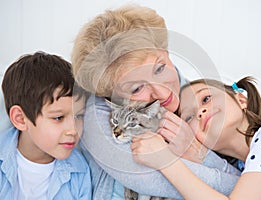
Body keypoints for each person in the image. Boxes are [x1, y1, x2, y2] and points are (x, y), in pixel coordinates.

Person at [72, 4, 241, 199]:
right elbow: (243, 189)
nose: (163, 93)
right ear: (109, 94)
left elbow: (255, 187)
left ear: (166, 51)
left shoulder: (204, 97)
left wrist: (199, 154)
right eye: (137, 88)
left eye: (159, 69)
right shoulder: (97, 115)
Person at [131, 76, 261, 199]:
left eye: (206, 98)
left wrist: (164, 161)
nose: (200, 111)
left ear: (241, 100)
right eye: (189, 117)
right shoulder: (244, 169)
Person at [0, 52, 92, 199]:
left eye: (78, 116)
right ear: (20, 119)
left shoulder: (80, 171)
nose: (73, 130)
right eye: (58, 117)